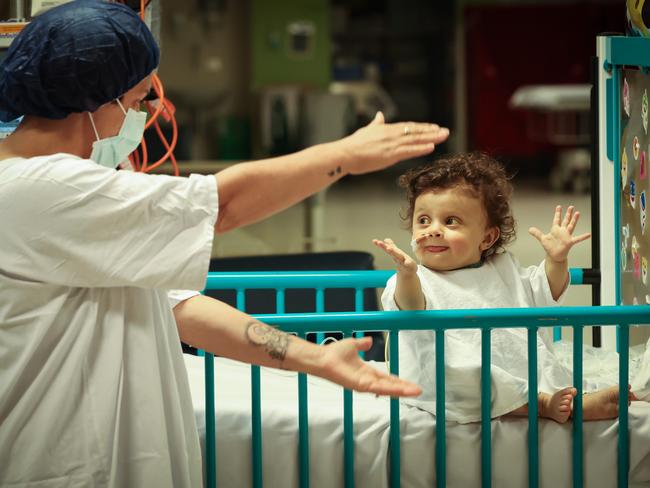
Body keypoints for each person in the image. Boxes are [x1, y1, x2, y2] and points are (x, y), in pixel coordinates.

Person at [0, 1, 451, 487]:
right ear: (90, 99)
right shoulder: (38, 189)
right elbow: (226, 205)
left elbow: (179, 308)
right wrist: (342, 156)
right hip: (60, 463)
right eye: (132, 103)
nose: (136, 120)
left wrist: (312, 357)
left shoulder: (71, 191)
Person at [373, 152, 640, 424]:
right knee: (471, 375)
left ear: (487, 238)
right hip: (446, 381)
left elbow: (545, 290)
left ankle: (564, 398)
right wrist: (406, 273)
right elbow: (410, 305)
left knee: (537, 365)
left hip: (515, 369)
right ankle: (543, 404)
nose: (433, 230)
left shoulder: (503, 268)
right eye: (423, 220)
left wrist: (556, 260)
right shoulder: (416, 279)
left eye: (450, 221)